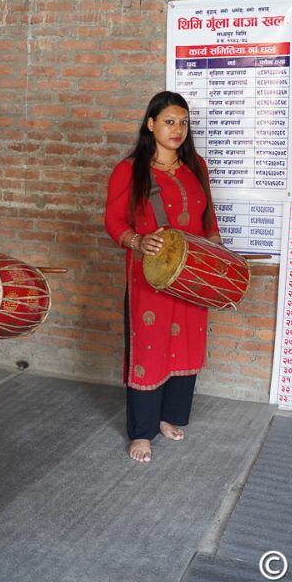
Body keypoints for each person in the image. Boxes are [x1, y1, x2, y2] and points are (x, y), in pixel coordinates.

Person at [104, 91, 222, 463]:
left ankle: (170, 416)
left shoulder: (195, 166)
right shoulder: (130, 170)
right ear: (151, 124)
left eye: (184, 122)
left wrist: (215, 255)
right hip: (150, 276)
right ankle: (142, 430)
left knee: (186, 342)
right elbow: (113, 221)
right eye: (169, 121)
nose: (178, 129)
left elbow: (209, 220)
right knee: (151, 347)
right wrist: (137, 241)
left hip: (193, 274)